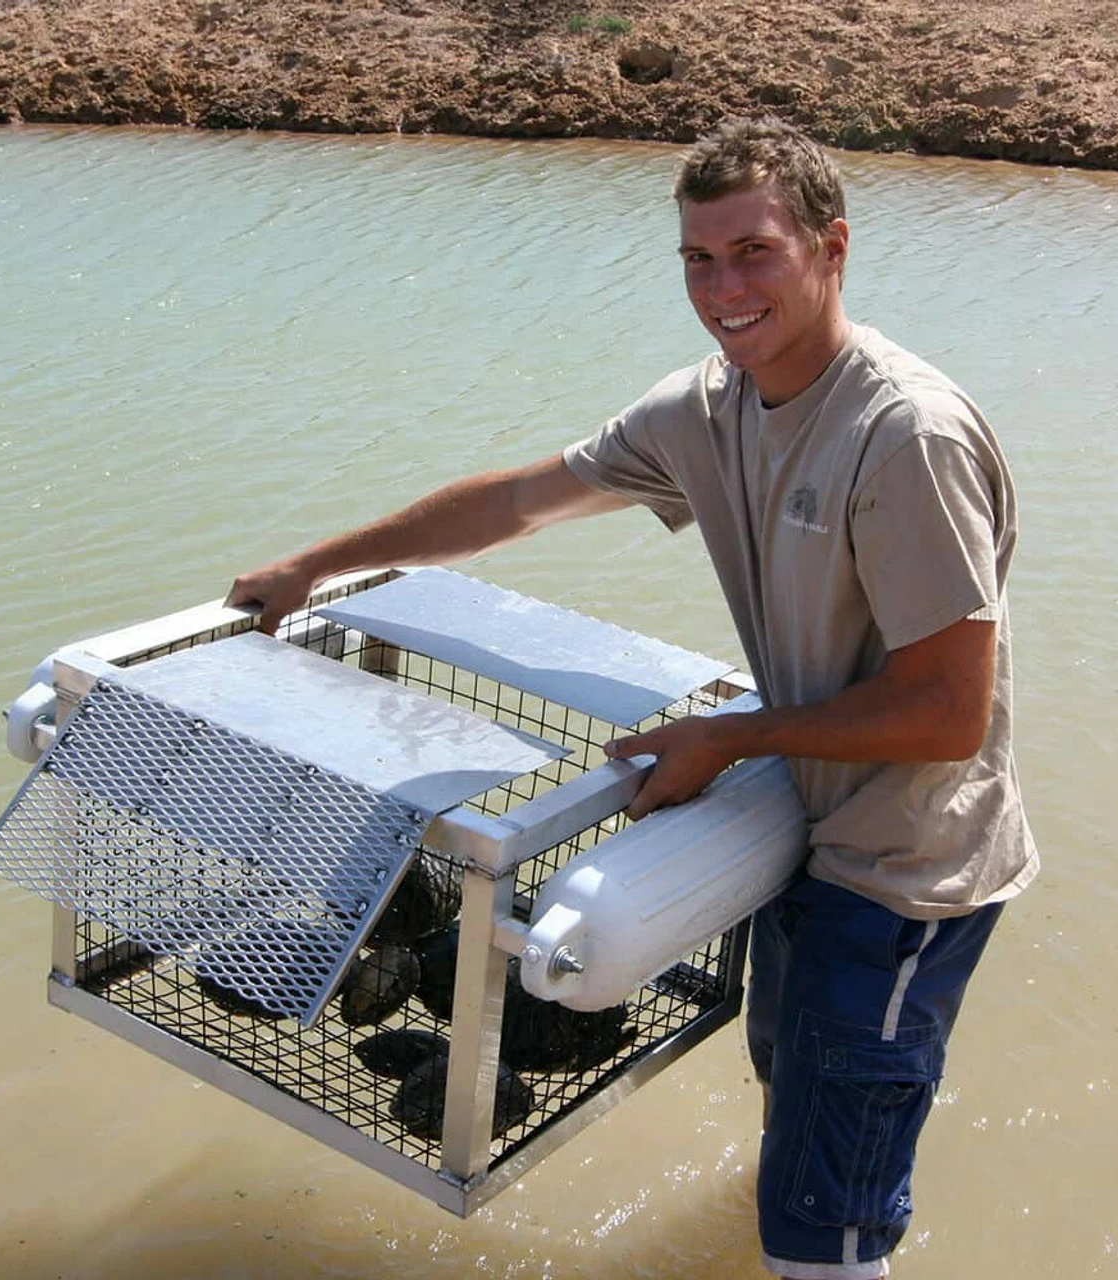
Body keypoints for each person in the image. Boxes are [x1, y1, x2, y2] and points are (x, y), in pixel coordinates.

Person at [227, 115, 1038, 1279]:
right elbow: (513, 503)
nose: (723, 288)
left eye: (753, 251)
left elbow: (946, 711)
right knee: (797, 1106)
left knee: (829, 1221)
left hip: (908, 866)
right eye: (697, 261)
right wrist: (319, 563)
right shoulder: (703, 407)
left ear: (830, 248)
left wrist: (729, 735)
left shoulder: (900, 436)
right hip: (804, 821)